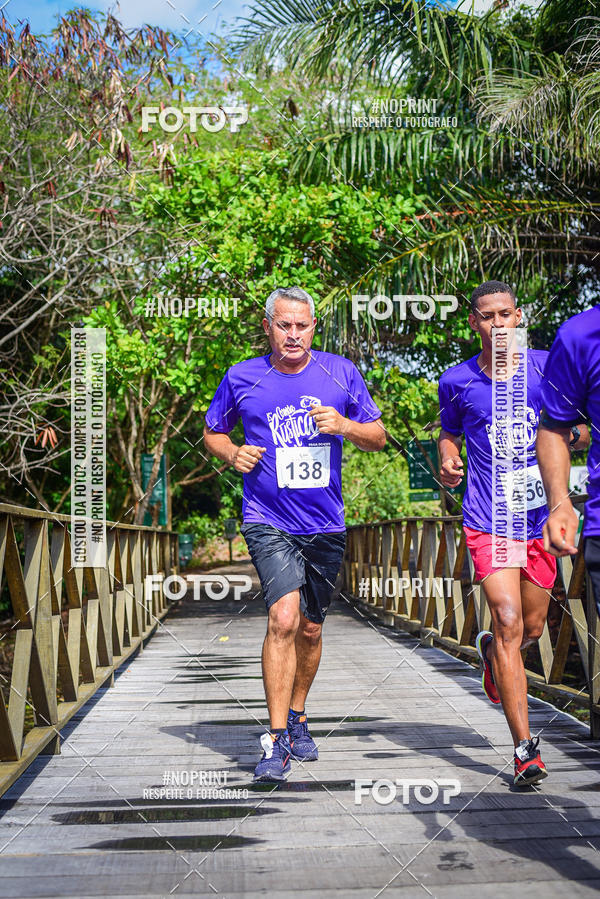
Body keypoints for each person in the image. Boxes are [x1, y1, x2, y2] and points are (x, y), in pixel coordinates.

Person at [203, 286, 386, 781]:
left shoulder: (340, 372)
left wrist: (345, 425)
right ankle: (277, 738)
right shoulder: (242, 376)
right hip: (267, 517)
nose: (293, 334)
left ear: (313, 327)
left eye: (301, 325)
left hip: (324, 522)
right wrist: (230, 454)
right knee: (283, 618)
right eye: (283, 325)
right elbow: (213, 430)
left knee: (310, 626)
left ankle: (300, 714)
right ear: (268, 326)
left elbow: (379, 436)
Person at [437, 280, 589, 787]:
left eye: (506, 314)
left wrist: (573, 435)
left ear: (518, 316)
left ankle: (491, 655)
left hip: (540, 518)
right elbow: (448, 431)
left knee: (531, 628)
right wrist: (448, 457)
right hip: (489, 517)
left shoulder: (549, 367)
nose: (498, 324)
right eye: (487, 316)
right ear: (474, 323)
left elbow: (582, 426)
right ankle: (525, 749)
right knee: (505, 619)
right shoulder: (457, 381)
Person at [536, 305, 599, 616]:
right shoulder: (580, 336)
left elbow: (577, 434)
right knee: (513, 622)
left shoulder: (540, 362)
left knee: (530, 626)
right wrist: (561, 504)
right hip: (492, 517)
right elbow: (553, 428)